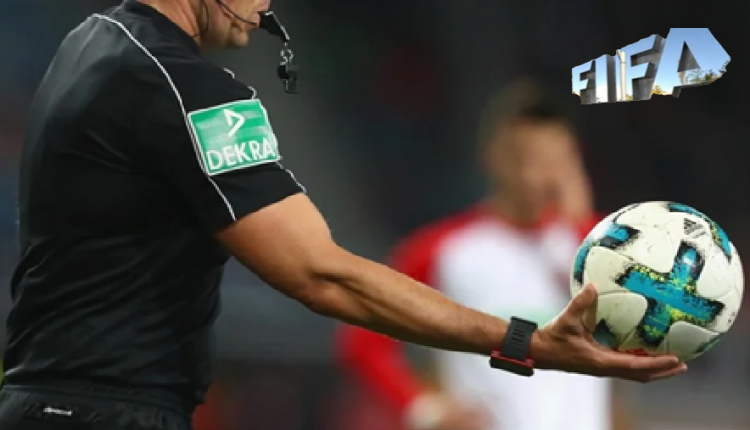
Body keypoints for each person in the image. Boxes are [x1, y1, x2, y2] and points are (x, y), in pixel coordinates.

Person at [0, 1, 685, 430]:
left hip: (42, 397)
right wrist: (524, 344)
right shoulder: (190, 89)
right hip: (109, 412)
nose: (267, 8)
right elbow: (324, 276)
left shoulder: (87, 46)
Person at [336, 81, 633, 430]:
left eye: (552, 160)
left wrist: (579, 227)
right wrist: (424, 408)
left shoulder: (598, 249)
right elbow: (362, 338)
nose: (534, 175)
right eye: (523, 158)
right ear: (491, 156)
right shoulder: (444, 249)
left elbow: (645, 332)